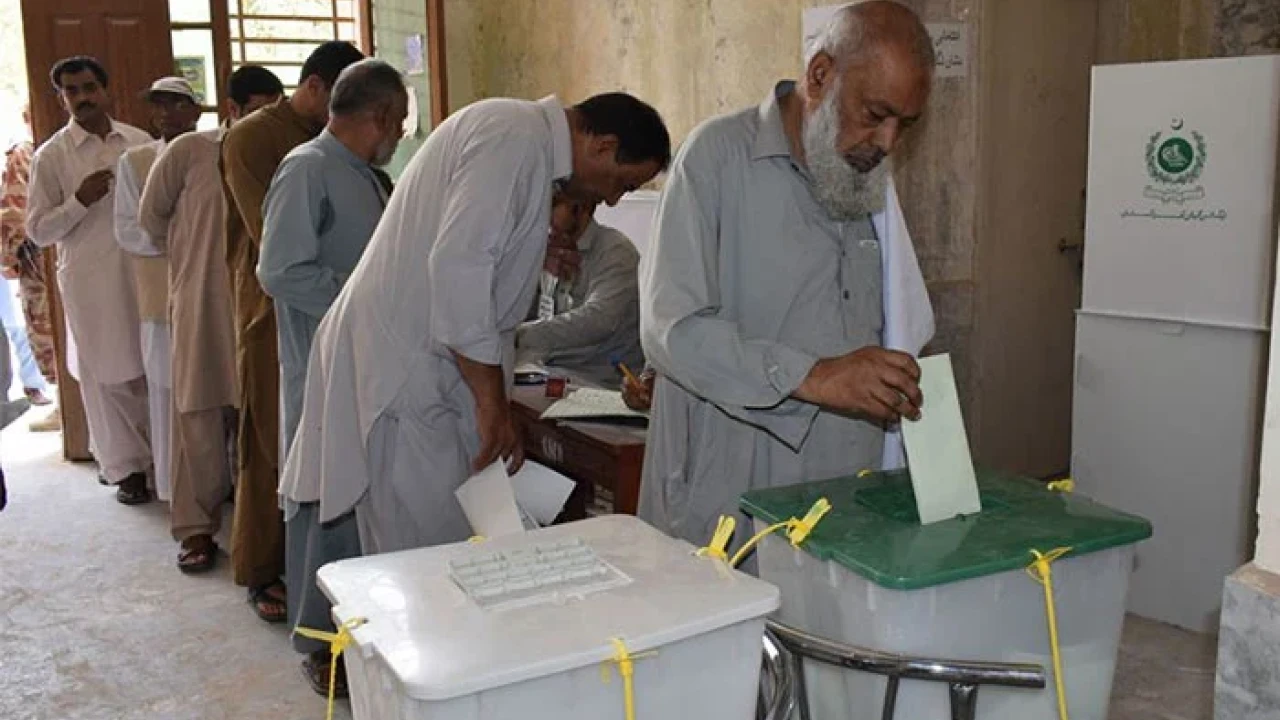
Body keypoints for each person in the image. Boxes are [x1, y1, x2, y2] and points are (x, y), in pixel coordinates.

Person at [279, 92, 670, 559]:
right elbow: (458, 270)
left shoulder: (521, 142)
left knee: (451, 547)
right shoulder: (512, 138)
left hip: (427, 371)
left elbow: (469, 249)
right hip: (407, 374)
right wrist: (493, 406)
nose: (611, 199)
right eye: (622, 183)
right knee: (426, 560)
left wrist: (530, 251)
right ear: (602, 146)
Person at [637, 1, 937, 555]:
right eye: (874, 113)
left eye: (905, 124)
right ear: (820, 76)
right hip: (730, 492)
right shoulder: (716, 160)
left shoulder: (870, 178)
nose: (888, 142)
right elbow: (670, 331)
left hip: (844, 495)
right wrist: (814, 376)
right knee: (733, 635)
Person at [257, 58, 405, 699]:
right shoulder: (308, 167)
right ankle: (319, 643)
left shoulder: (369, 178)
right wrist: (361, 298)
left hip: (368, 364)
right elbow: (280, 270)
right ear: (378, 116)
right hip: (322, 365)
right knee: (323, 500)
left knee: (362, 495)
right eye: (398, 122)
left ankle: (364, 624)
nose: (400, 134)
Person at [221, 40, 365, 623]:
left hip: (323, 313)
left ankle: (309, 569)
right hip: (269, 309)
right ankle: (259, 570)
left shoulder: (333, 150)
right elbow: (273, 247)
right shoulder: (257, 138)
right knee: (271, 439)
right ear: (316, 87)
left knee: (318, 447)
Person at [137, 66, 283, 575]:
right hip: (201, 303)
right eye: (257, 109)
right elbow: (150, 219)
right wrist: (191, 265)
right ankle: (196, 530)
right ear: (232, 109)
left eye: (274, 108)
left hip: (259, 307)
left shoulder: (281, 156)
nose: (265, 119)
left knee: (257, 420)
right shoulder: (190, 151)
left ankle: (253, 528)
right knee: (197, 416)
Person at [26, 56, 154, 504]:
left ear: (106, 90)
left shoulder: (139, 143)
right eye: (70, 91)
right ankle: (124, 469)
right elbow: (37, 229)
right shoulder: (52, 156)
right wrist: (79, 201)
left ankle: (160, 461)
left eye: (87, 88)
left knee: (150, 366)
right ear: (61, 98)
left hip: (142, 274)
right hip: (90, 281)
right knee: (105, 375)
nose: (81, 98)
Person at [115, 77, 202, 504]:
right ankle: (172, 489)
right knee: (166, 392)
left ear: (196, 111)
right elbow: (129, 230)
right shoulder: (135, 162)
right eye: (159, 105)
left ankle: (217, 487)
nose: (167, 113)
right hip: (160, 297)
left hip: (206, 296)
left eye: (176, 104)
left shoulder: (214, 153)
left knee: (208, 396)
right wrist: (183, 242)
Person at [515, 190, 644, 388]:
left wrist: (518, 334)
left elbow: (598, 320)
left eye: (553, 205)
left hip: (600, 382)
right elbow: (520, 309)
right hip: (550, 371)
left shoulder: (616, 251)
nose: (542, 217)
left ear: (582, 207)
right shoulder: (549, 247)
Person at [1, 106, 60, 433]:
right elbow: (13, 212)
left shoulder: (48, 151)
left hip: (51, 255)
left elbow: (12, 213)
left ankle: (70, 408)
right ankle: (65, 405)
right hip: (40, 255)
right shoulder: (26, 152)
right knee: (47, 332)